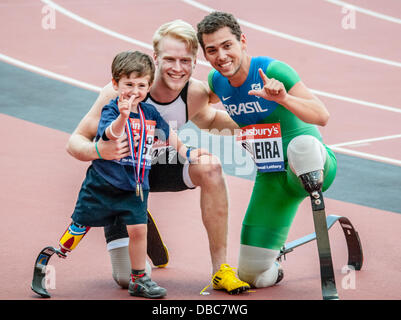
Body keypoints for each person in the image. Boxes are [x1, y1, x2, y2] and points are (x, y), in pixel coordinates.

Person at [66, 20, 250, 294]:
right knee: (123, 278)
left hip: (156, 166)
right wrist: (98, 150)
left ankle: (220, 270)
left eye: (185, 61)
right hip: (117, 180)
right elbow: (74, 142)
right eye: (170, 60)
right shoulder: (123, 92)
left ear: (195, 62)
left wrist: (257, 123)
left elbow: (211, 120)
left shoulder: (195, 94)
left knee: (210, 166)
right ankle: (134, 211)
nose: (178, 68)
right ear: (155, 58)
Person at [196, 11, 337, 288]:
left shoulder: (272, 71)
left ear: (242, 42)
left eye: (227, 46)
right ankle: (274, 263)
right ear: (205, 54)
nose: (221, 56)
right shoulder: (216, 81)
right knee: (253, 277)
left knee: (302, 146)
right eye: (212, 50)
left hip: (313, 164)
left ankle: (315, 201)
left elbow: (322, 115)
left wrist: (284, 98)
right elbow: (204, 108)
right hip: (272, 179)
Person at [59, 50, 201, 298]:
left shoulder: (150, 113)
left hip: (135, 185)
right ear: (115, 84)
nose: (134, 91)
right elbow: (110, 135)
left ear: (148, 86)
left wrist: (187, 153)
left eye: (141, 85)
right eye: (128, 84)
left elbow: (169, 136)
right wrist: (124, 116)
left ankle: (139, 280)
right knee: (79, 226)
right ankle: (57, 251)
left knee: (138, 231)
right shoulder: (112, 110)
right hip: (104, 184)